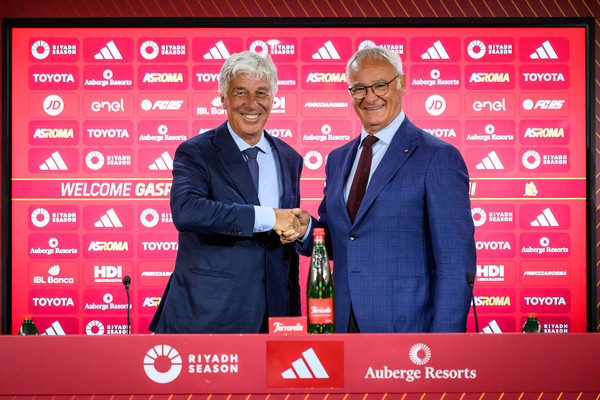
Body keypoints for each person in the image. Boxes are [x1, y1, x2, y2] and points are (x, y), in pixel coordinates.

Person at [291, 46, 476, 333]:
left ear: (402, 84)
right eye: (359, 89)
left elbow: (455, 262)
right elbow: (344, 239)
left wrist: (444, 342)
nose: (370, 97)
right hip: (341, 322)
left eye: (380, 85)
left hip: (409, 330)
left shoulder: (437, 156)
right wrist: (306, 231)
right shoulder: (338, 159)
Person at [150, 51, 303, 333]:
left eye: (261, 92)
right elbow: (187, 211)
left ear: (273, 98)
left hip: (274, 316)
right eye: (241, 92)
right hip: (207, 314)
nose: (252, 103)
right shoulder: (197, 151)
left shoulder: (290, 158)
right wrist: (270, 217)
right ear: (224, 98)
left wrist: (292, 319)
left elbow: (287, 246)